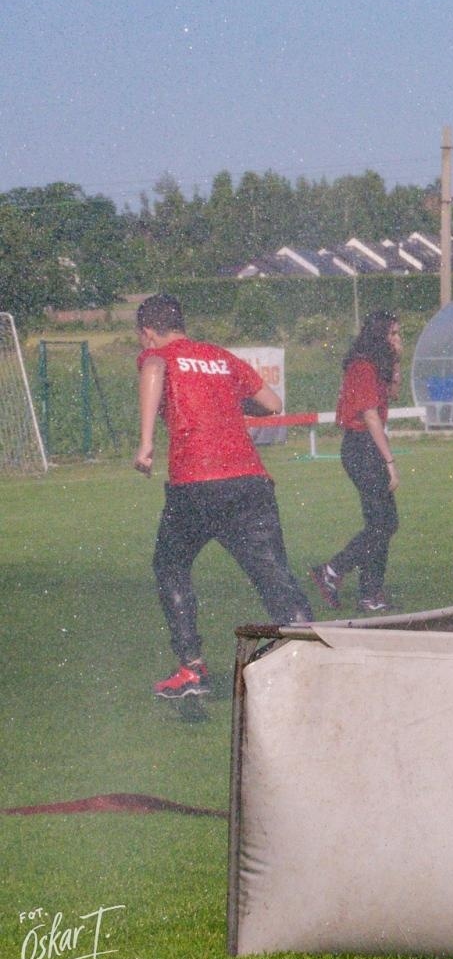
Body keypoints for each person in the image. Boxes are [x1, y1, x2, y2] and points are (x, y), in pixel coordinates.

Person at [133, 293, 313, 699]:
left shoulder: (159, 356)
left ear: (148, 332)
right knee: (273, 575)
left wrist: (146, 442)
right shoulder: (219, 356)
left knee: (170, 565)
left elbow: (155, 368)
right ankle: (313, 659)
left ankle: (192, 669)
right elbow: (271, 403)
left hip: (196, 483)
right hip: (250, 480)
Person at [308, 311, 403, 613]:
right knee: (383, 524)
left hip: (365, 447)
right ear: (381, 336)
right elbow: (370, 415)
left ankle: (369, 593)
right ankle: (332, 571)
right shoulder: (362, 367)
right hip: (361, 447)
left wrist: (397, 362)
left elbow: (394, 396)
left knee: (383, 523)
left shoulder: (375, 365)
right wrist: (389, 460)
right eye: (394, 334)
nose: (400, 339)